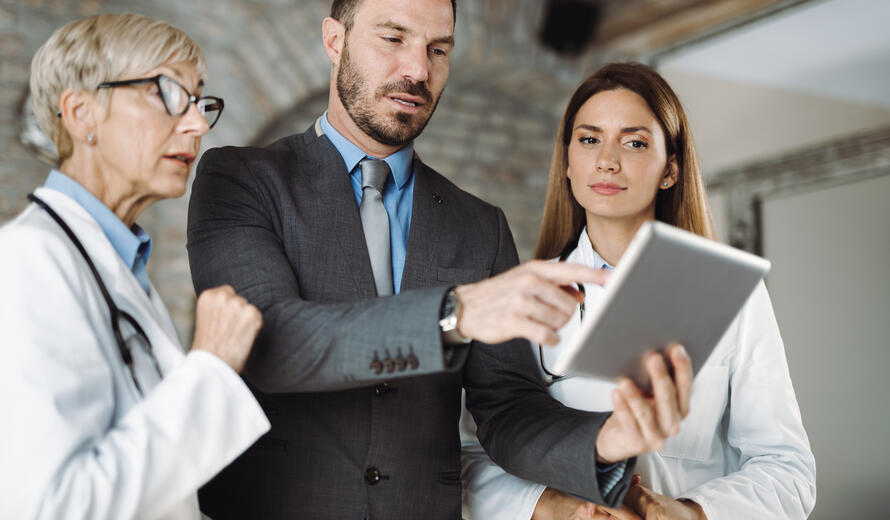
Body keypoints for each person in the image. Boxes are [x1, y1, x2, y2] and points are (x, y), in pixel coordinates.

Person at [186, 1, 694, 518]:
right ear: (335, 41)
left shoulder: (480, 225)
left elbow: (508, 406)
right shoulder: (240, 180)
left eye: (438, 50)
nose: (417, 70)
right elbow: (271, 339)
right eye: (393, 39)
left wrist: (604, 440)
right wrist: (455, 315)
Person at [460, 62, 817, 520]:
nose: (607, 160)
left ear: (670, 169)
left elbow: (787, 469)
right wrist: (553, 507)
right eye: (589, 140)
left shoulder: (732, 295)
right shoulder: (523, 294)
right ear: (567, 162)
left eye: (634, 143)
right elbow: (468, 455)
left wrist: (690, 512)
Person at [0, 14, 271, 519]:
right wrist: (211, 367)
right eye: (166, 94)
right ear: (81, 113)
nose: (196, 124)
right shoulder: (27, 261)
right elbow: (56, 507)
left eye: (199, 102)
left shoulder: (120, 266)